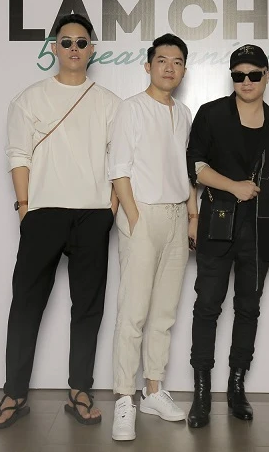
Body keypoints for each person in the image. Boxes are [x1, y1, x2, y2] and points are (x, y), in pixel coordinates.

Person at [0, 13, 121, 429]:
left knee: (88, 308)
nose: (74, 49)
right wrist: (25, 208)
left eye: (81, 42)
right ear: (54, 48)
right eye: (66, 42)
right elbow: (18, 154)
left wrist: (110, 210)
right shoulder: (29, 98)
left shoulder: (109, 103)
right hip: (43, 213)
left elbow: (119, 162)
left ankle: (80, 389)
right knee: (26, 305)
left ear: (92, 49)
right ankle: (14, 393)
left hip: (92, 216)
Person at [185, 44, 269, 428]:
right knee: (207, 306)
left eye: (254, 74)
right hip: (217, 222)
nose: (246, 81)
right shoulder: (212, 113)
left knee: (249, 308)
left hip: (260, 227)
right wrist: (234, 186)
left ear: (267, 75)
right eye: (238, 75)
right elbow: (195, 166)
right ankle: (201, 394)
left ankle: (236, 387)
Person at [107, 34, 198, 441]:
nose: (169, 68)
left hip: (178, 216)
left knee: (164, 312)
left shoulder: (184, 113)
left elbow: (186, 171)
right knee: (134, 312)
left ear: (184, 70)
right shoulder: (131, 109)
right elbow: (119, 168)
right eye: (162, 60)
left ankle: (153, 390)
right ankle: (124, 397)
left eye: (176, 62)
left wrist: (192, 215)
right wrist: (133, 216)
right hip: (142, 213)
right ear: (148, 66)